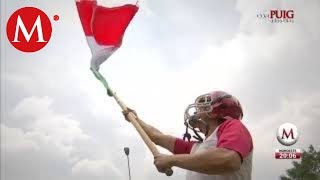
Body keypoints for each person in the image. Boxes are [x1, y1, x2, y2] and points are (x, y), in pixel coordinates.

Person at [123, 91, 253, 180]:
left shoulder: (233, 126)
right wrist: (136, 120)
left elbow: (229, 160)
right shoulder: (196, 148)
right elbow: (157, 137)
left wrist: (171, 160)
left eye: (204, 103)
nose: (197, 109)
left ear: (219, 108)